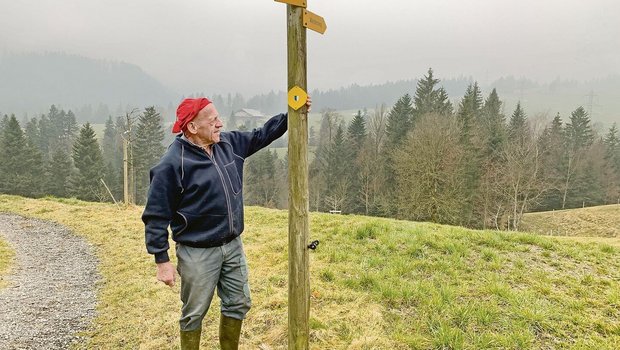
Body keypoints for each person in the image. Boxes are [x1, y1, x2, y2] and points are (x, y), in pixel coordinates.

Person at [142, 96, 311, 350]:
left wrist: (292, 114)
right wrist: (161, 260)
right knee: (194, 313)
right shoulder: (172, 164)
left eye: (218, 118)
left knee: (238, 303)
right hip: (197, 252)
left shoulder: (228, 144)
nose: (220, 124)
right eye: (213, 121)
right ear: (192, 127)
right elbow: (156, 215)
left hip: (233, 246)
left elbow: (261, 135)